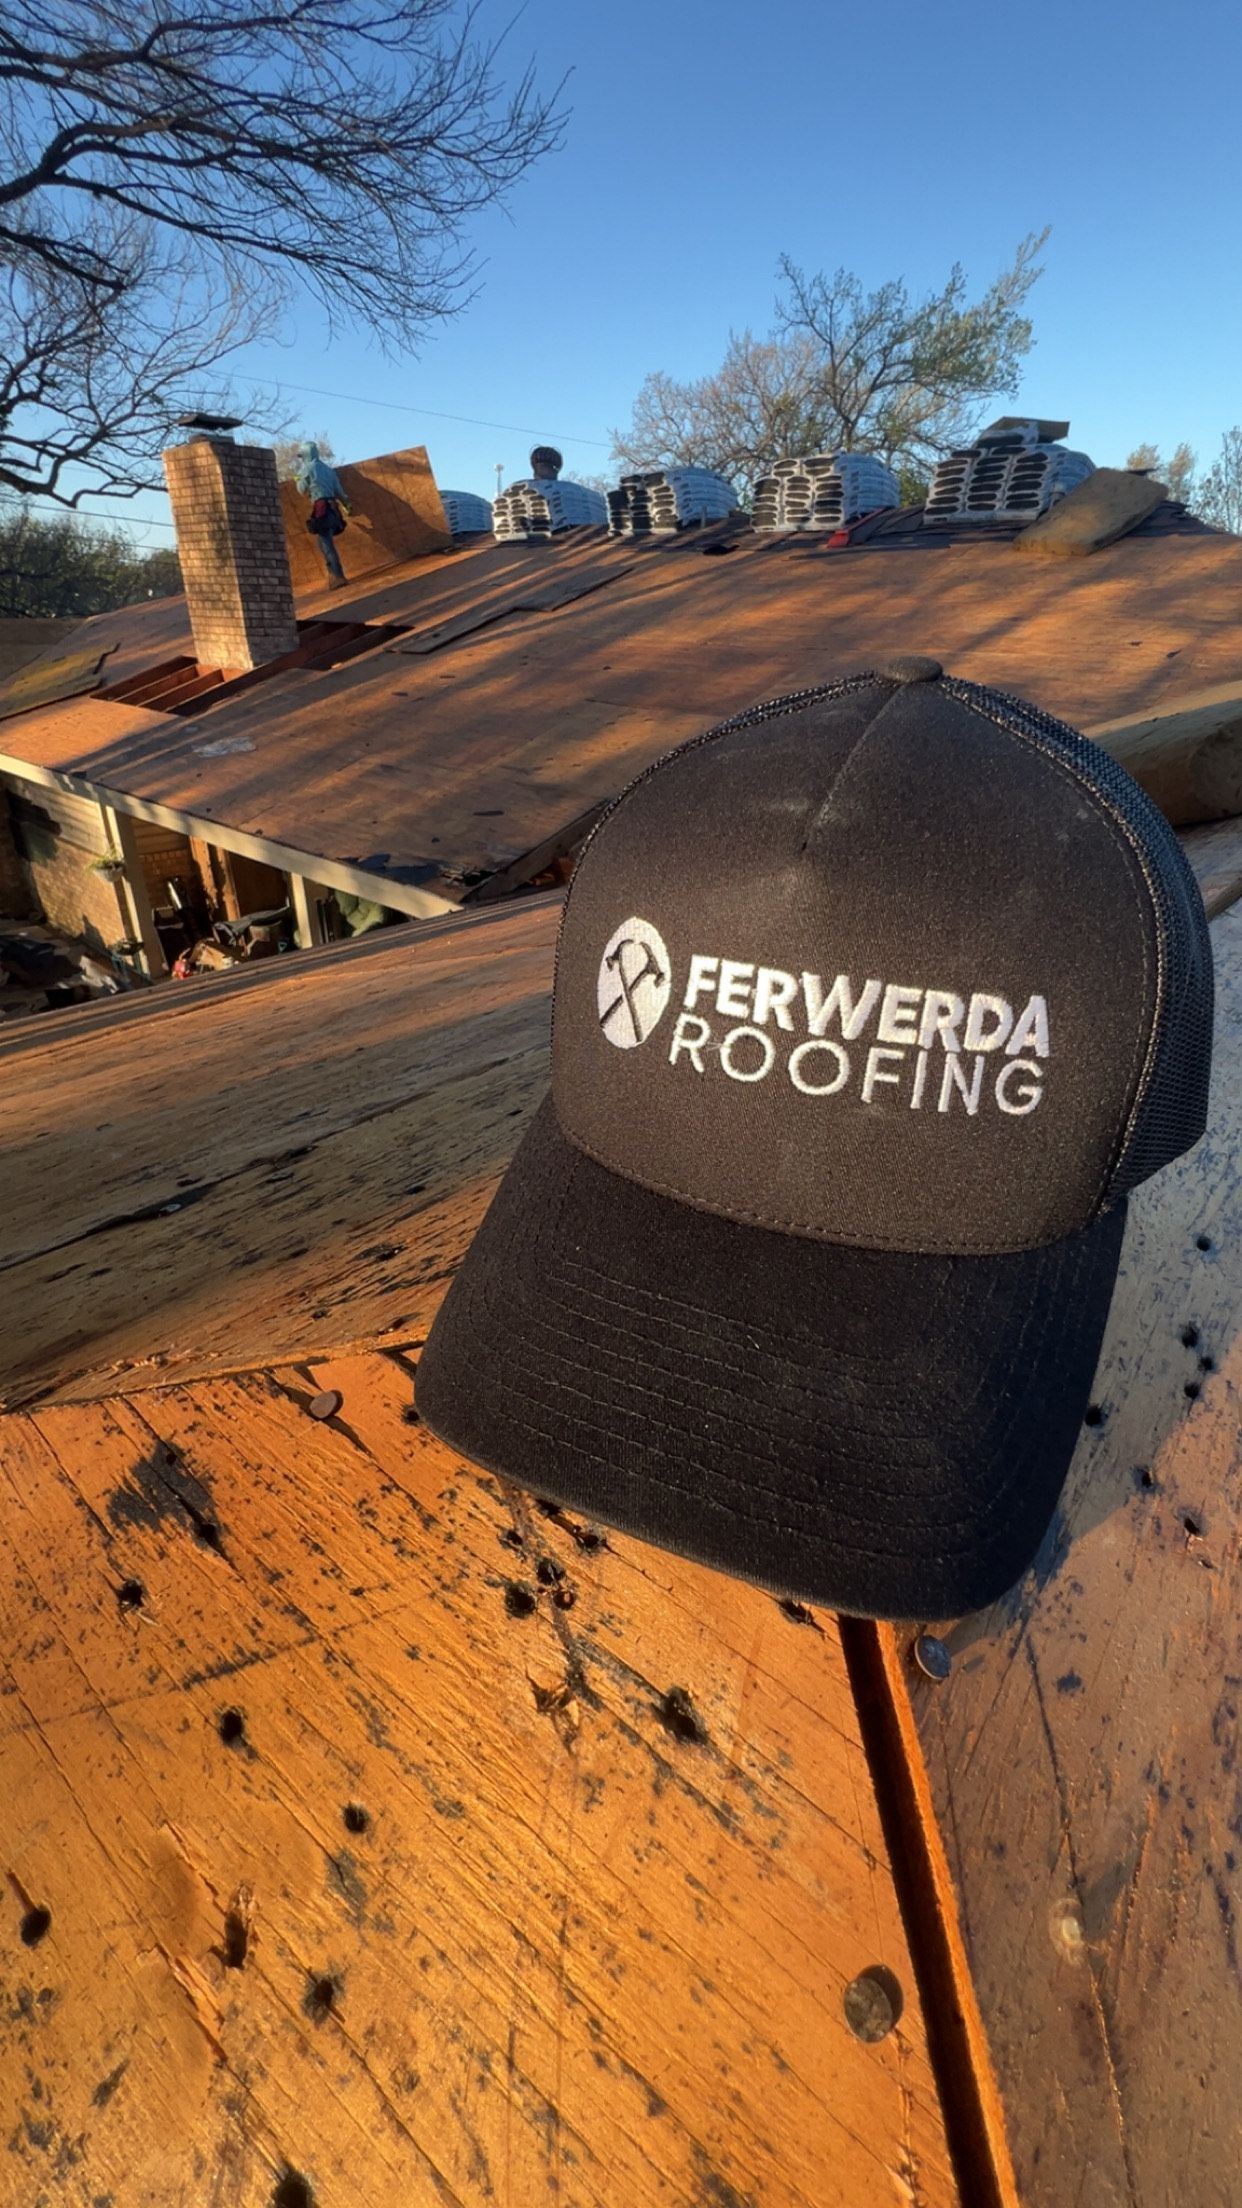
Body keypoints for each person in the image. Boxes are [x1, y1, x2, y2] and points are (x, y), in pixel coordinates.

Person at [294, 440, 351, 585]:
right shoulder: (328, 469)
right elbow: (339, 491)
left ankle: (338, 576)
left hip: (321, 508)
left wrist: (298, 478)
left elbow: (301, 490)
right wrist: (346, 504)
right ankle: (333, 575)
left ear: (306, 454)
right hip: (333, 508)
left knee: (326, 544)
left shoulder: (306, 469)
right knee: (323, 542)